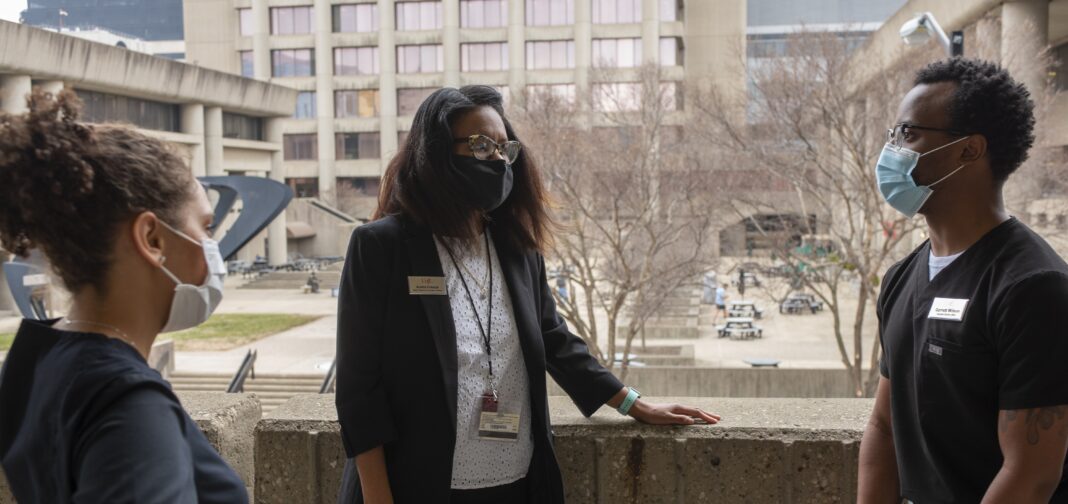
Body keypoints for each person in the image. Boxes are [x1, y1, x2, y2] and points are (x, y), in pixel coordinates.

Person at [334, 86, 721, 504]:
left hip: (515, 478)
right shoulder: (381, 246)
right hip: (417, 483)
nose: (498, 160)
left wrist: (633, 403)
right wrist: (377, 497)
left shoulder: (516, 247)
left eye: (505, 148)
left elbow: (554, 340)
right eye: (482, 146)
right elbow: (359, 388)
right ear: (436, 152)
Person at [0, 90, 247, 502]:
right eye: (205, 228)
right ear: (152, 238)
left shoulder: (39, 359)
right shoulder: (131, 407)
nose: (211, 245)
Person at [858, 59, 1068, 503]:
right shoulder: (902, 278)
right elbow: (883, 426)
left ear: (969, 150)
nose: (892, 151)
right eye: (893, 135)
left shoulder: (1035, 287)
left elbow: (1031, 474)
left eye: (909, 134)